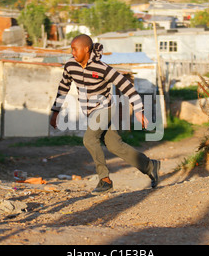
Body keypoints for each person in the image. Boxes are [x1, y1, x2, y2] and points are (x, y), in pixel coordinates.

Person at [50, 34, 160, 195]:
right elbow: (63, 87)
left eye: (75, 49)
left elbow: (126, 86)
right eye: (71, 49)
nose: (72, 52)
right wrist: (56, 111)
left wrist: (139, 110)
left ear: (86, 49)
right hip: (90, 112)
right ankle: (150, 166)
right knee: (115, 145)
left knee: (89, 139)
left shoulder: (102, 68)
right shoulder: (70, 66)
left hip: (106, 108)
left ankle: (105, 180)